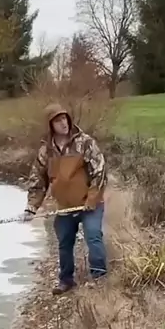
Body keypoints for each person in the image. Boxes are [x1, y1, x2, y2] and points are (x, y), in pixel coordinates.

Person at [23, 103, 108, 295]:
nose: (63, 123)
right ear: (50, 125)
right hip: (65, 206)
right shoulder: (46, 151)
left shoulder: (85, 143)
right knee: (64, 242)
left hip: (89, 204)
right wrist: (31, 207)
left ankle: (99, 279)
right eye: (57, 121)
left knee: (93, 235)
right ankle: (66, 280)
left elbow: (100, 172)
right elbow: (38, 181)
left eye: (64, 119)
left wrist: (92, 199)